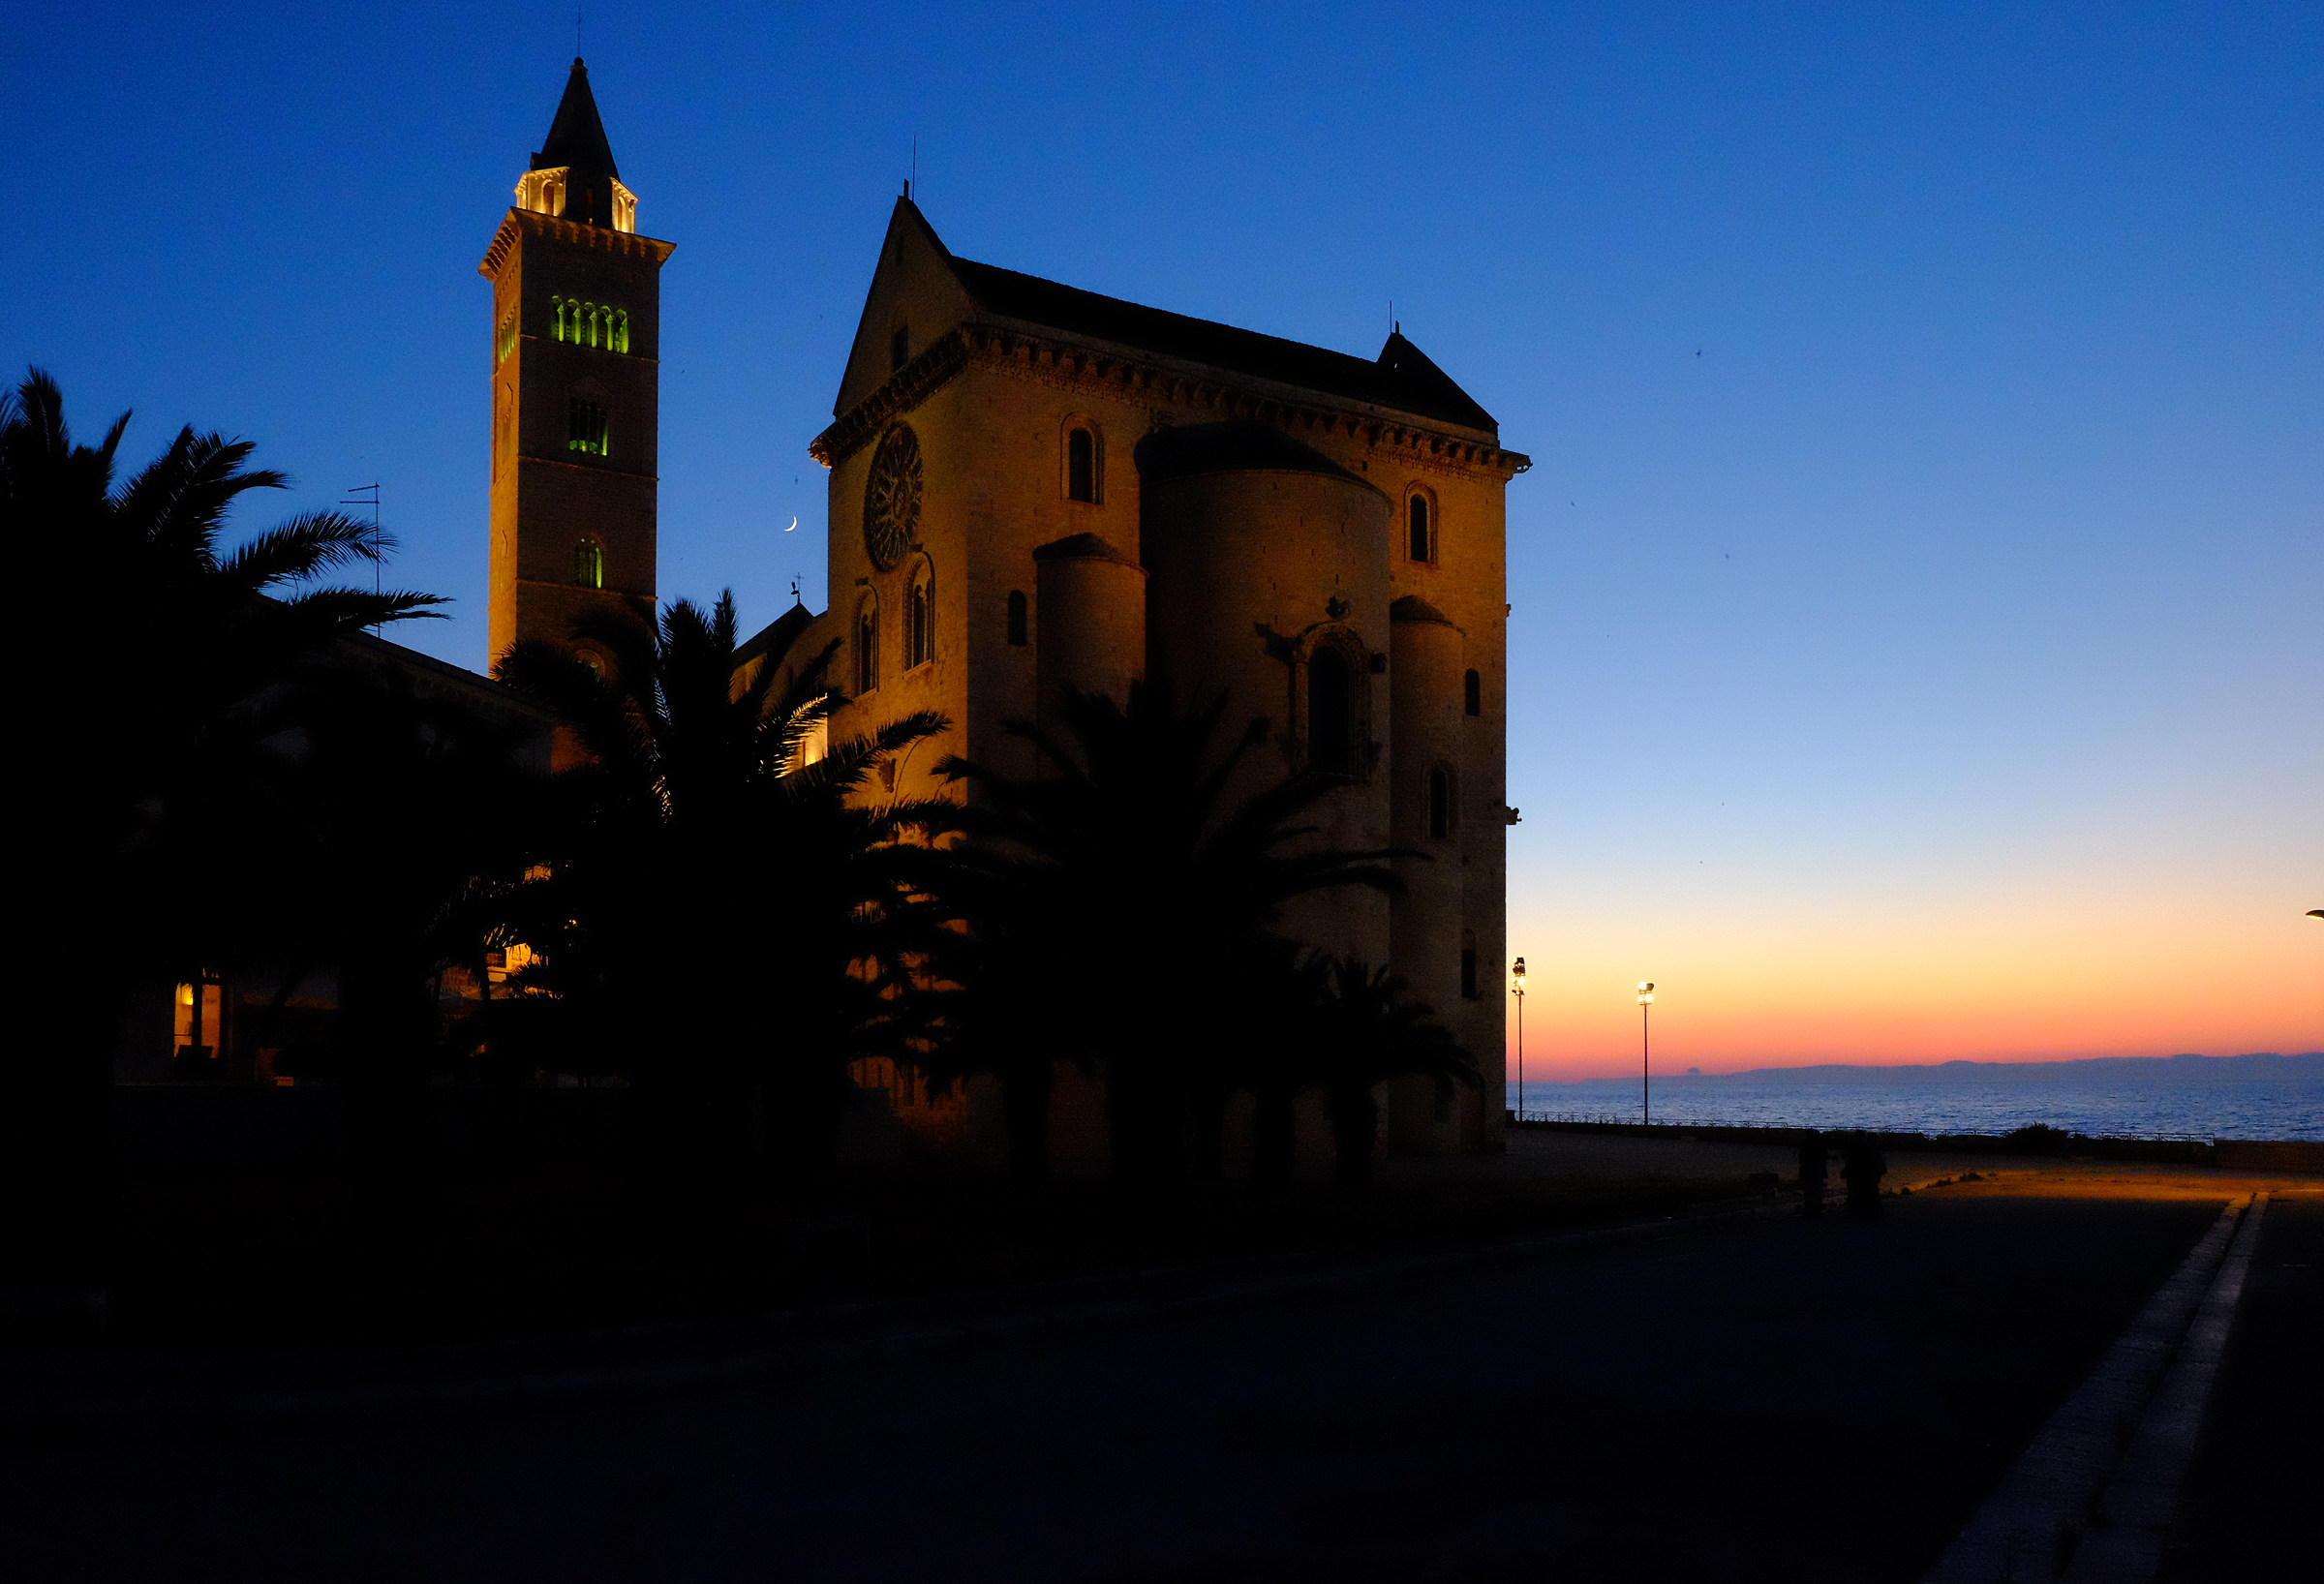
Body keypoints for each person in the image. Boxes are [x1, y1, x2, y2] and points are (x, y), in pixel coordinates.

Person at [1841, 1131, 1888, 1216]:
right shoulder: (1869, 1150)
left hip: (1857, 1175)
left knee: (1855, 1192)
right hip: (1867, 1176)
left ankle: (1856, 1210)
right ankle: (1870, 1211)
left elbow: (1845, 1157)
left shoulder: (1854, 1148)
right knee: (1870, 1193)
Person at [1797, 1128, 1826, 1217]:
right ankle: (1816, 1206)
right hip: (1815, 1171)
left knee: (1808, 1190)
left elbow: (1802, 1158)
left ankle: (1809, 1206)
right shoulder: (1817, 1145)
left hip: (1808, 1171)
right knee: (1816, 1189)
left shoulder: (1804, 1145)